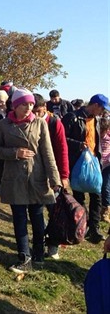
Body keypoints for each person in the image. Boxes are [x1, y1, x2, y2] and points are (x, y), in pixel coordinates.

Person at [0, 88, 62, 273]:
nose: (29, 107)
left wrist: (55, 179)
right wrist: (15, 153)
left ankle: (39, 253)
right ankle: (24, 256)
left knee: (38, 218)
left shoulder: (40, 123)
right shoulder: (4, 125)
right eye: (24, 104)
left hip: (37, 177)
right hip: (14, 178)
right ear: (15, 105)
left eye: (31, 104)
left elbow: (48, 152)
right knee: (19, 218)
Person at [62, 94, 110, 244]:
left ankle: (94, 229)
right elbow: (61, 138)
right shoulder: (72, 117)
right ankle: (81, 226)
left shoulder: (95, 120)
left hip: (94, 163)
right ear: (95, 105)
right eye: (102, 109)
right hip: (78, 163)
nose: (103, 113)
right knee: (79, 197)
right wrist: (78, 144)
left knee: (97, 195)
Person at [32, 93, 70, 259]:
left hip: (52, 175)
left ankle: (53, 245)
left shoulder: (55, 123)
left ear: (45, 108)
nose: (35, 114)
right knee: (37, 212)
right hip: (35, 174)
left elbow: (62, 150)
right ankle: (39, 243)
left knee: (54, 212)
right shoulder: (29, 122)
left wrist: (63, 175)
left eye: (38, 111)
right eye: (33, 111)